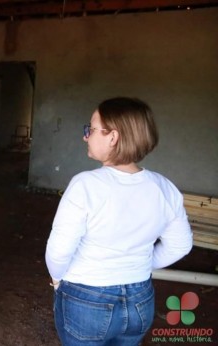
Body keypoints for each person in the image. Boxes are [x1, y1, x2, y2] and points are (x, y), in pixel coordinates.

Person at [45, 97, 193, 345]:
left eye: (90, 129)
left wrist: (57, 279)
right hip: (140, 300)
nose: (86, 136)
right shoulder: (164, 187)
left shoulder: (86, 184)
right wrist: (141, 264)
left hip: (87, 297)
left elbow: (59, 251)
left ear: (113, 137)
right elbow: (181, 245)